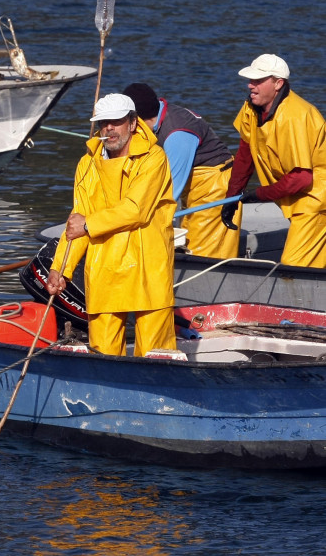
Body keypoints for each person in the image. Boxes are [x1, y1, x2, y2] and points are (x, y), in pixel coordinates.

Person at [46, 93, 177, 357]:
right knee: (102, 353)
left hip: (147, 265)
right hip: (104, 265)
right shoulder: (87, 164)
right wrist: (60, 268)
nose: (109, 128)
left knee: (156, 353)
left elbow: (135, 210)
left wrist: (87, 225)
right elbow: (77, 220)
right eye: (104, 122)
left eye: (116, 122)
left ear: (132, 123)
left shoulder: (154, 158)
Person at [222, 54, 326, 268]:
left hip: (316, 199)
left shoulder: (295, 116)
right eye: (250, 80)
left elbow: (301, 179)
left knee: (293, 265)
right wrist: (232, 197)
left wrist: (260, 194)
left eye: (258, 81)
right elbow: (245, 153)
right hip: (296, 199)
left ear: (278, 83)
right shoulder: (251, 107)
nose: (251, 85)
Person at [123, 82, 240, 259]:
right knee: (189, 235)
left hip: (215, 187)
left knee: (201, 251)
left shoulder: (177, 134)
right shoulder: (161, 115)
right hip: (195, 186)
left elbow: (170, 190)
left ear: (137, 120)